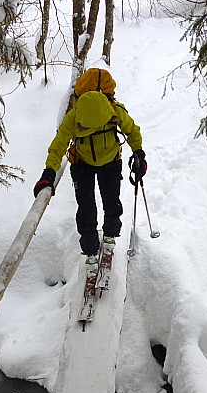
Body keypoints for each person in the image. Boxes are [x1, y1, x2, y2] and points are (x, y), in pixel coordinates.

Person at [34, 69, 146, 264]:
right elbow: (132, 131)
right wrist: (138, 153)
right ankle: (109, 239)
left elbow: (59, 144)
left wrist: (49, 172)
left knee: (86, 208)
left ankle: (91, 253)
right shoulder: (115, 110)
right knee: (111, 201)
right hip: (110, 161)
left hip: (82, 164)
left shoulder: (75, 115)